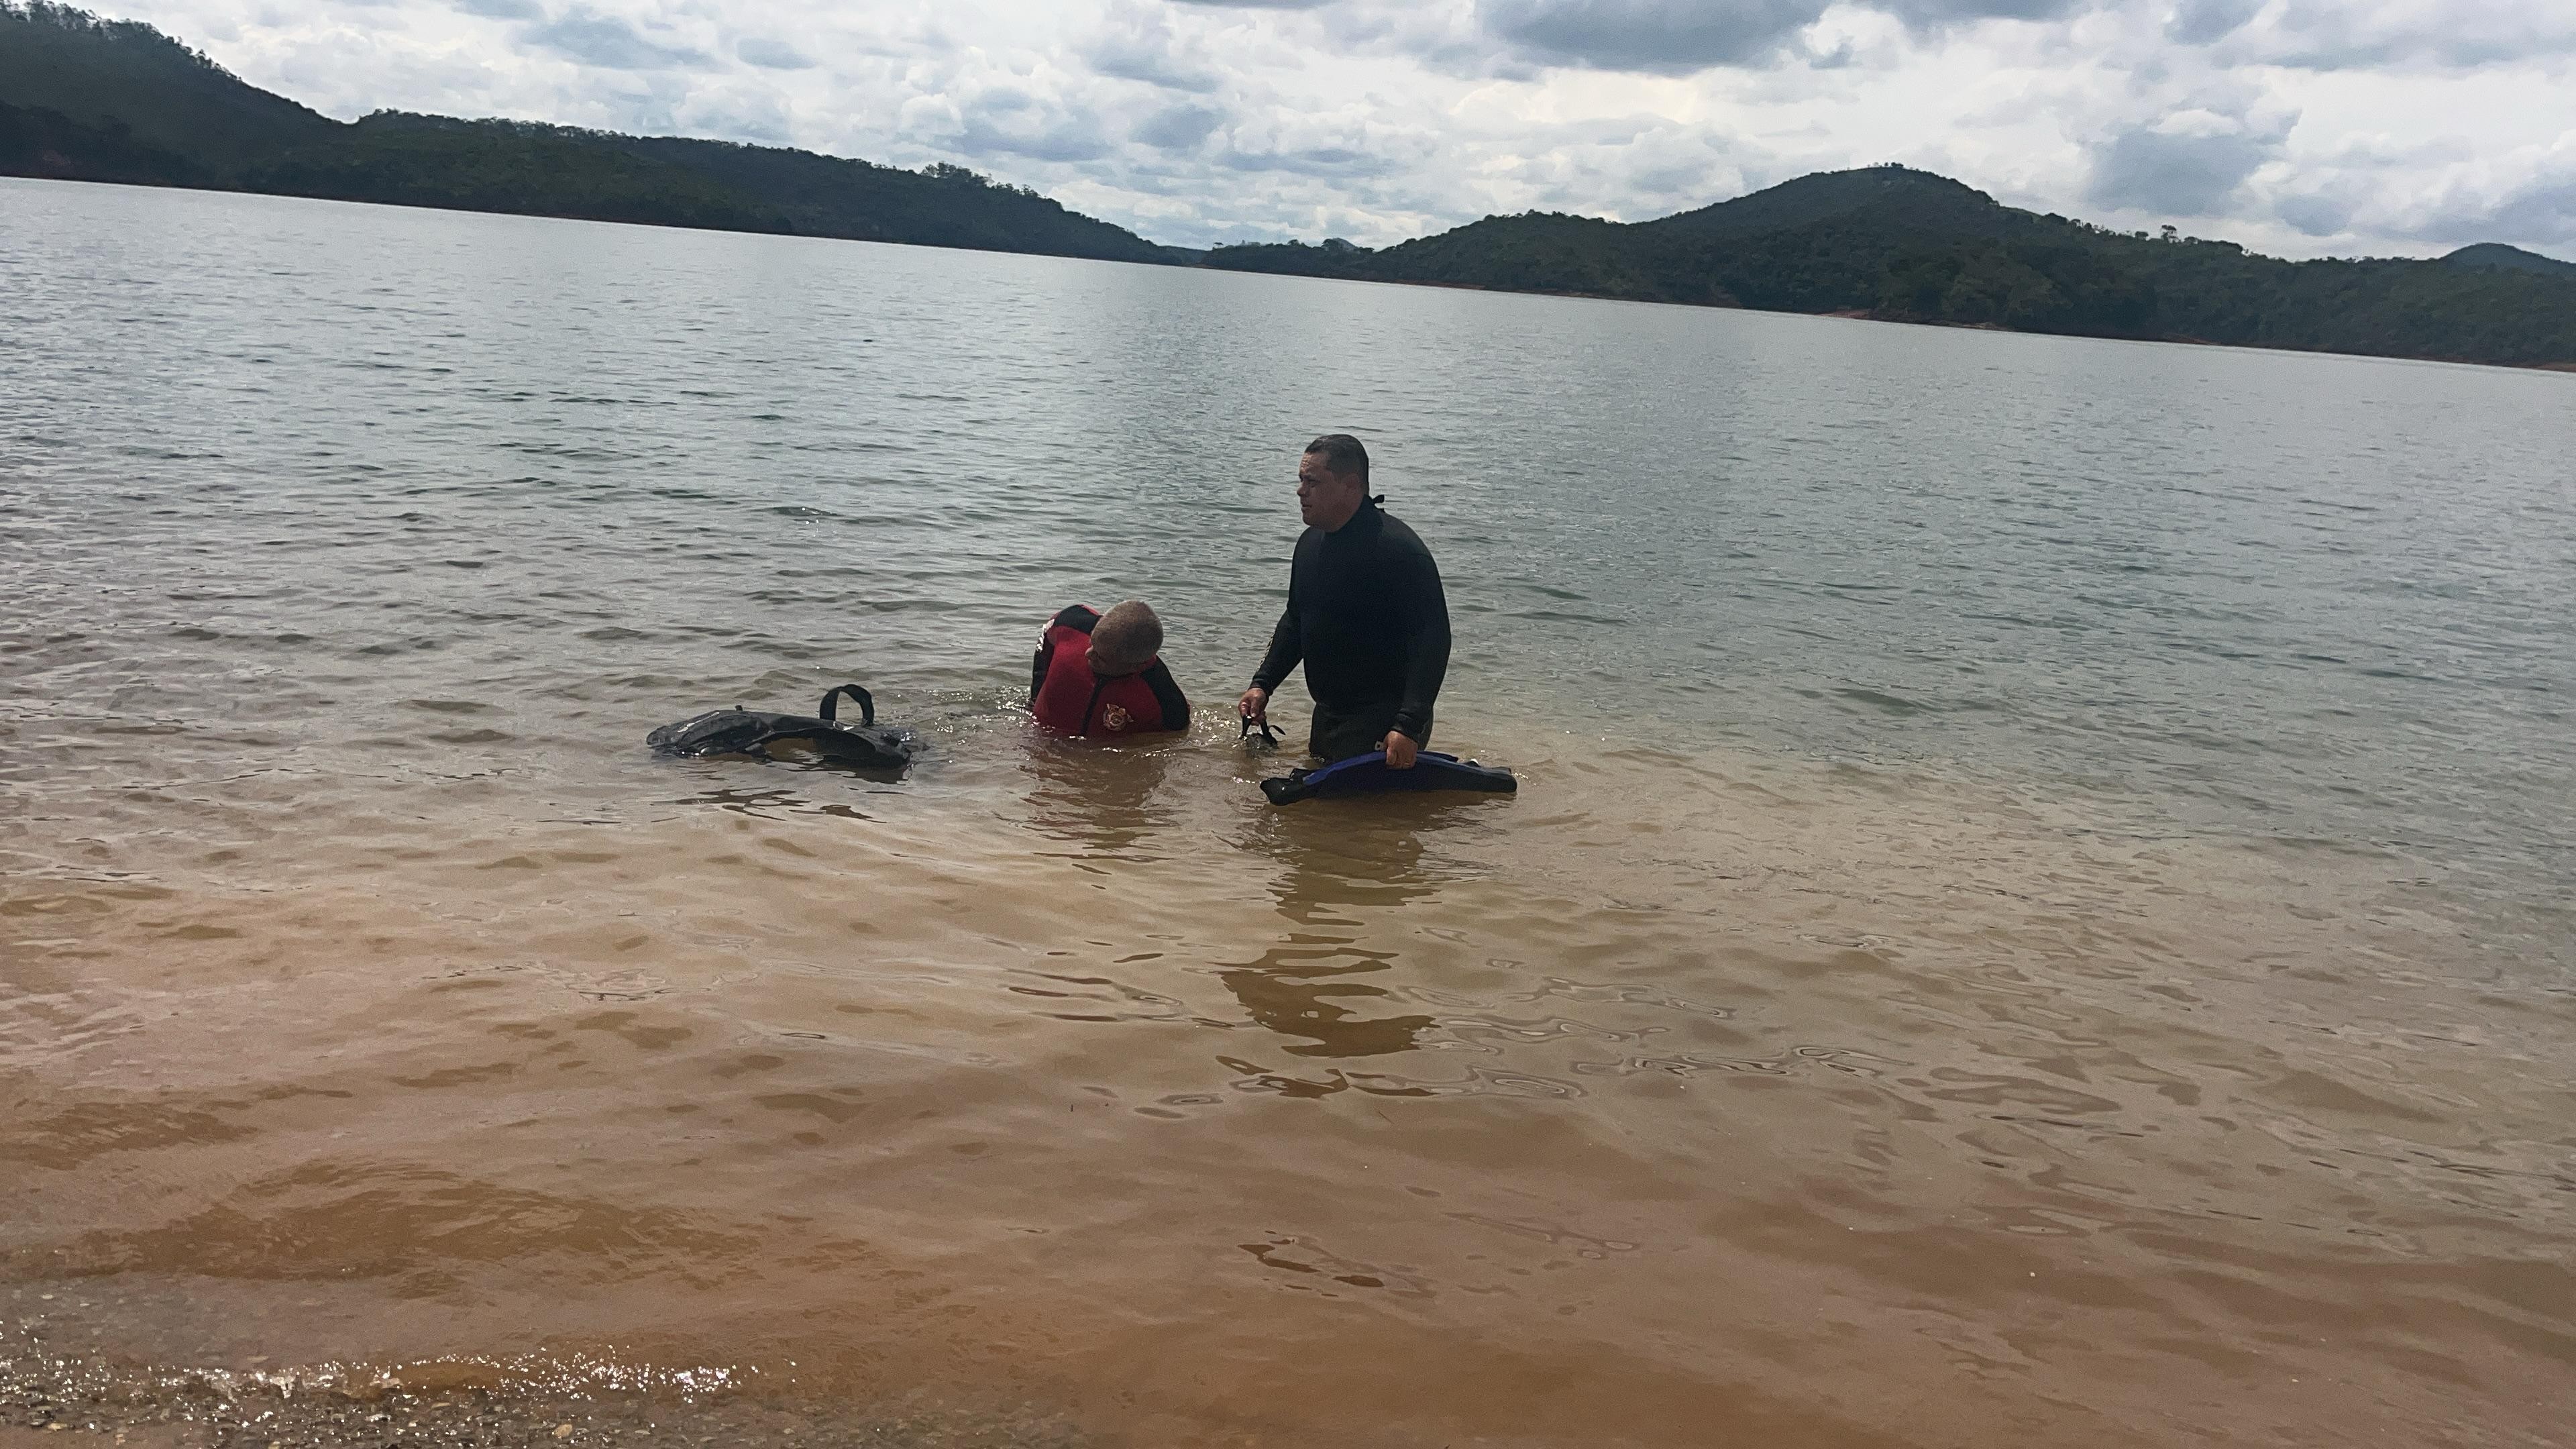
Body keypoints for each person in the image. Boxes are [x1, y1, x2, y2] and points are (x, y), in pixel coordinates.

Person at [1238, 434, 1451, 767]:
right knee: (1320, 811)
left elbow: (1433, 640)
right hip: (1328, 714)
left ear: (1350, 486)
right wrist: (1263, 684)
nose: (1300, 491)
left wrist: (1408, 725)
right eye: (1300, 480)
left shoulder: (1399, 550)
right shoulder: (1309, 545)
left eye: (1313, 482)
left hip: (1385, 718)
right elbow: (1296, 620)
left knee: (1361, 813)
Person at [1030, 599, 1190, 737]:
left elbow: (1175, 737)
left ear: (1136, 667)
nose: (1088, 654)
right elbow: (1046, 637)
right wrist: (1036, 696)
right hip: (1040, 734)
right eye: (1092, 643)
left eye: (1101, 657)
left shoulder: (1166, 698)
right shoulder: (1071, 622)